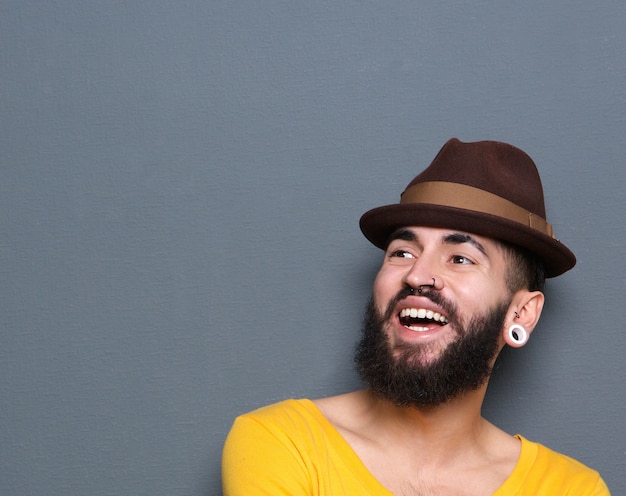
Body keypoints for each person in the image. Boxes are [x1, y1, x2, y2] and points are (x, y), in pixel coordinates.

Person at [222, 138, 610, 495]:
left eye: (460, 258)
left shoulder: (571, 488)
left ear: (521, 314)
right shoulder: (282, 443)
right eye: (402, 252)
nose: (417, 275)